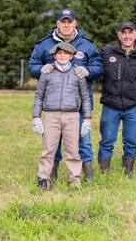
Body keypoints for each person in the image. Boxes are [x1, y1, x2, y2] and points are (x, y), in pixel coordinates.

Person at [28, 8, 103, 182]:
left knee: (83, 141)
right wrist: (41, 69)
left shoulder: (87, 44)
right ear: (58, 23)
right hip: (52, 104)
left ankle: (86, 176)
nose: (66, 25)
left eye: (70, 22)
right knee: (52, 142)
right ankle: (49, 177)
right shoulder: (44, 44)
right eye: (63, 22)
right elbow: (32, 65)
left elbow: (99, 66)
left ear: (75, 23)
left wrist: (88, 70)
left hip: (79, 104)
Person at [98, 21, 136, 178]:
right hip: (111, 105)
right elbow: (95, 69)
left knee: (131, 141)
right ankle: (104, 173)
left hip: (134, 107)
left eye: (130, 33)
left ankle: (128, 172)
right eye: (124, 33)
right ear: (118, 35)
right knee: (107, 141)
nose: (127, 36)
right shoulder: (108, 52)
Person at [32, 42, 92, 190]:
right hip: (51, 116)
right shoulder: (47, 73)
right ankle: (44, 179)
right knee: (48, 150)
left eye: (66, 53)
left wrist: (87, 119)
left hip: (72, 116)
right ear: (54, 55)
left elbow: (85, 97)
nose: (62, 56)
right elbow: (39, 96)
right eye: (59, 53)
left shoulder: (78, 73)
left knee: (73, 151)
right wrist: (36, 117)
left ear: (72, 56)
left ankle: (74, 180)